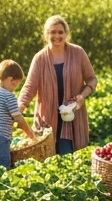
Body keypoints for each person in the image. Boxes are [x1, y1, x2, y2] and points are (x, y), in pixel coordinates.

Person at [18, 14, 98, 155]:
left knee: (68, 157)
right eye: (52, 32)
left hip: (71, 116)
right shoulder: (40, 59)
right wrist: (20, 107)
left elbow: (92, 79)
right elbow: (30, 87)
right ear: (46, 34)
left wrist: (82, 96)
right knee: (47, 159)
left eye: (60, 32)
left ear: (66, 34)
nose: (57, 36)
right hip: (47, 118)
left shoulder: (78, 53)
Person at [0, 60, 34, 169]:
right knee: (3, 172)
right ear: (10, 79)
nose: (14, 88)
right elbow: (19, 119)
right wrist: (30, 134)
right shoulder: (9, 96)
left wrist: (6, 124)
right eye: (15, 85)